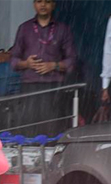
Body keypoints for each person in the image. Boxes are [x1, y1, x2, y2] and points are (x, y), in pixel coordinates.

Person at [10, 0, 77, 135]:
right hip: (29, 86)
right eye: (39, 1)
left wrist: (54, 65)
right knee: (29, 127)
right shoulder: (24, 28)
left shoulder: (63, 29)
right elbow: (13, 60)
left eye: (47, 2)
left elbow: (72, 61)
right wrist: (26, 64)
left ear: (53, 5)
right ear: (34, 4)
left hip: (53, 86)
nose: (43, 5)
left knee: (53, 128)